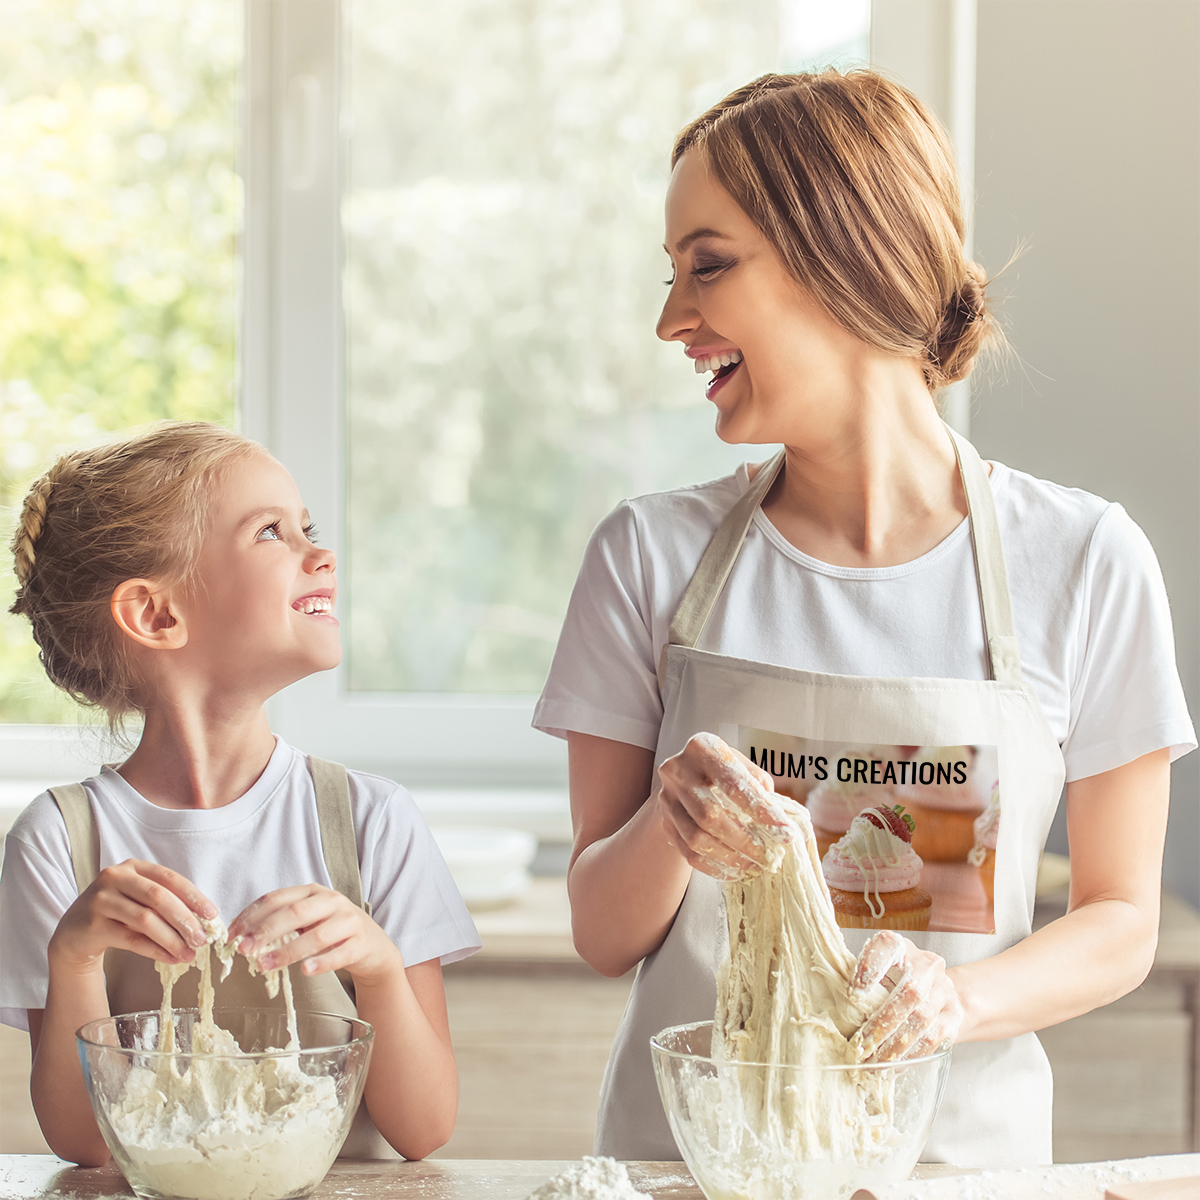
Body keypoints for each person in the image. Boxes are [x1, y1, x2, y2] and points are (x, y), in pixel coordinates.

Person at [533, 71, 1195, 1167]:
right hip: (696, 1173)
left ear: (845, 253)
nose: (670, 320)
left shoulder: (1082, 561)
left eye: (709, 265)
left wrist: (958, 999)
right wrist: (667, 826)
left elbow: (1121, 921)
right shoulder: (647, 559)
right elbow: (605, 935)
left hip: (954, 1171)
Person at [0, 422, 480, 1166]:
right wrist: (75, 958)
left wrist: (378, 966)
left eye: (307, 528)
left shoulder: (369, 821)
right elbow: (84, 1143)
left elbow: (424, 1129)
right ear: (156, 615)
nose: (320, 555)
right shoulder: (59, 841)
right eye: (270, 534)